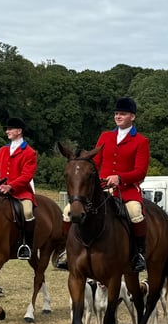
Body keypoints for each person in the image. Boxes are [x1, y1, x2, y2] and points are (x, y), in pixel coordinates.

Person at [57, 97, 150, 272]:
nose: (118, 116)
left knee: (135, 212)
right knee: (68, 211)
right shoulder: (105, 136)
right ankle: (66, 251)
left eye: (122, 114)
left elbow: (141, 171)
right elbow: (96, 162)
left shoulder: (141, 141)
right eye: (116, 114)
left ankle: (139, 253)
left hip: (126, 190)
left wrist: (120, 178)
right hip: (102, 188)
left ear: (132, 116)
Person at [0, 117, 37, 260]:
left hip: (21, 192)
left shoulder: (29, 152)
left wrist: (11, 186)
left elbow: (27, 176)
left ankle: (27, 245)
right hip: (1, 189)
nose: (7, 131)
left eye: (10, 129)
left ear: (19, 131)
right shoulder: (2, 150)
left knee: (27, 212)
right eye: (7, 129)